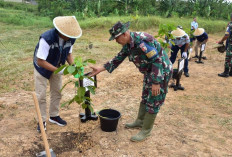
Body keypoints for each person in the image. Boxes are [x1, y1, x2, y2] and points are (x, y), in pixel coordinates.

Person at [89, 21, 173, 142]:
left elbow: (157, 60)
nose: (116, 41)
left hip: (161, 72)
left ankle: (146, 130)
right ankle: (140, 121)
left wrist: (156, 82)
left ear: (124, 34)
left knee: (154, 100)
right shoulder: (129, 44)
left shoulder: (142, 41)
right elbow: (118, 59)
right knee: (145, 96)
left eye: (116, 38)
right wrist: (100, 69)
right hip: (150, 72)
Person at [33, 16, 82, 132]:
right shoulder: (47, 39)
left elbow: (69, 54)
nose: (70, 37)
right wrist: (58, 70)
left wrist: (74, 67)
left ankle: (54, 116)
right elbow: (40, 61)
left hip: (57, 65)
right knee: (41, 95)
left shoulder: (70, 39)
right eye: (68, 34)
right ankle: (42, 120)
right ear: (61, 31)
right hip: (42, 68)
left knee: (57, 91)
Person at [218, 13, 232, 77]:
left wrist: (221, 41)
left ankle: (226, 72)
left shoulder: (230, 25)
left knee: (228, 58)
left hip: (231, 44)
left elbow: (227, 35)